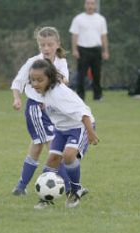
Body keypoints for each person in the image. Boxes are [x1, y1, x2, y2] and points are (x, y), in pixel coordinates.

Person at [28, 59, 99, 209]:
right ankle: (45, 198)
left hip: (80, 126)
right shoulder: (44, 91)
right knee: (52, 159)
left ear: (50, 78)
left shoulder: (59, 93)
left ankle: (75, 190)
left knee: (68, 156)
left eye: (39, 80)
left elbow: (83, 113)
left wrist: (91, 133)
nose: (35, 84)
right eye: (33, 80)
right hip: (61, 129)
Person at [11, 27, 73, 196]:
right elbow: (18, 82)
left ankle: (21, 187)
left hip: (52, 110)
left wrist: (59, 80)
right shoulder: (33, 62)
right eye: (42, 45)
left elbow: (65, 81)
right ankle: (70, 187)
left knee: (36, 147)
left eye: (49, 44)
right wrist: (17, 98)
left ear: (57, 44)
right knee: (54, 148)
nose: (46, 48)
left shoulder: (61, 61)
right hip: (36, 109)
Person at [69, 0, 109, 100]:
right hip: (83, 50)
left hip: (96, 50)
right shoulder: (78, 19)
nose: (90, 6)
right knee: (81, 75)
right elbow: (74, 35)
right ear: (84, 5)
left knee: (97, 74)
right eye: (88, 3)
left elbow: (104, 36)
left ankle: (98, 96)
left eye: (92, 4)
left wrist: (105, 51)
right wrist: (74, 50)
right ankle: (80, 96)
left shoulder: (101, 19)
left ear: (95, 5)